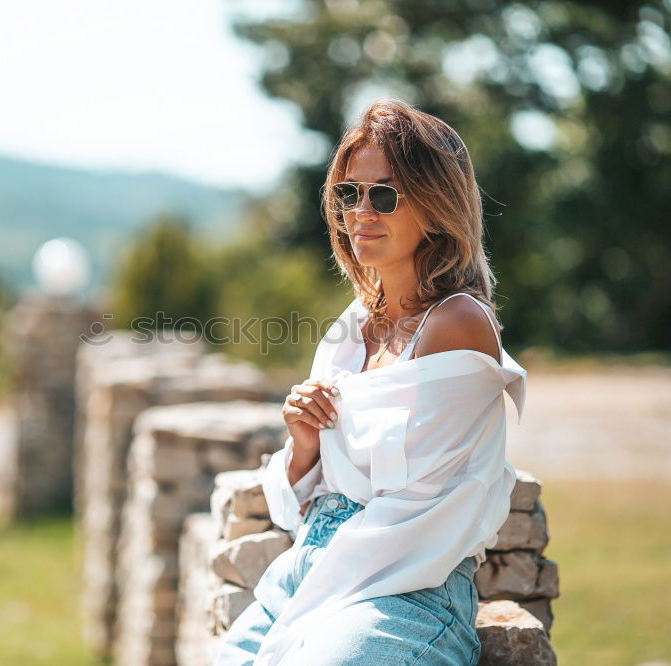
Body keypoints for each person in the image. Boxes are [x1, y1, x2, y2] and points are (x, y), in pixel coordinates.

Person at [214, 98, 528, 665]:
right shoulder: (350, 327)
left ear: (435, 207)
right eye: (348, 193)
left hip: (403, 589)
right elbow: (296, 509)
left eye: (384, 194)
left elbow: (416, 507)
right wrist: (305, 447)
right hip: (307, 571)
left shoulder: (457, 323)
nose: (362, 210)